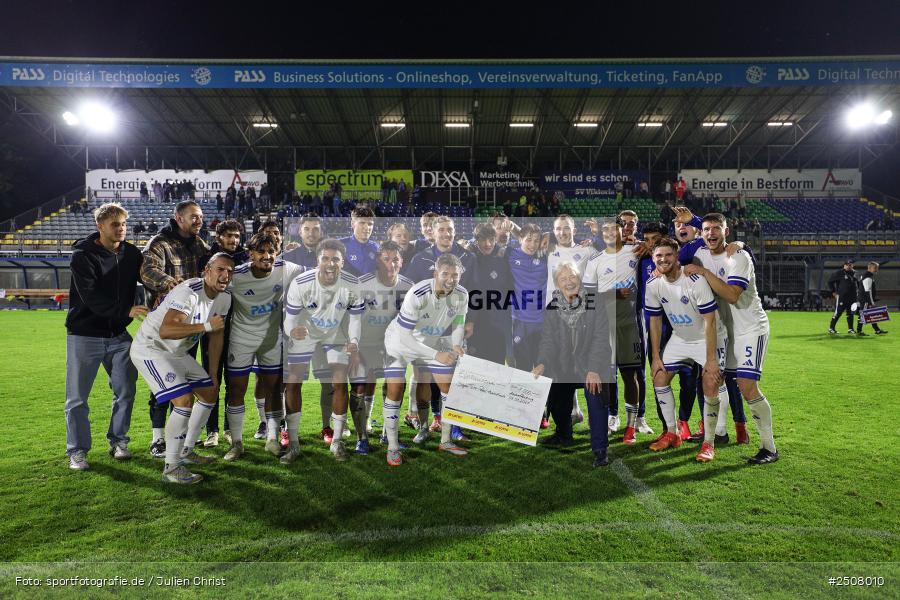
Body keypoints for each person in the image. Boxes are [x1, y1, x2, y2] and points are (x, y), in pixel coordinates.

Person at [129, 253, 234, 484]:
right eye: (220, 269)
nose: (225, 275)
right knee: (183, 400)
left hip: (176, 352)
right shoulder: (189, 292)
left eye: (230, 271)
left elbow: (216, 336)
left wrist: (213, 374)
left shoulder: (225, 298)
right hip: (152, 348)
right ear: (207, 271)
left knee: (209, 393)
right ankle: (172, 467)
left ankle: (186, 450)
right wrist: (206, 326)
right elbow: (166, 330)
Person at [686, 213, 779, 464]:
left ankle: (769, 448)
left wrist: (703, 272)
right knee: (712, 381)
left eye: (717, 228)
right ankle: (714, 437)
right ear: (701, 233)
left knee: (747, 386)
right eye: (706, 229)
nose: (711, 233)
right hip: (723, 331)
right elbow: (672, 259)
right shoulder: (700, 253)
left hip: (750, 329)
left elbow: (732, 295)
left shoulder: (739, 256)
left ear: (726, 231)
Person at [65, 203, 147, 471]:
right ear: (100, 226)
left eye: (123, 224)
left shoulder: (132, 253)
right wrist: (126, 310)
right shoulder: (82, 256)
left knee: (126, 391)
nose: (121, 229)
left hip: (119, 335)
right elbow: (91, 297)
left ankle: (119, 441)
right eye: (115, 224)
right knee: (77, 399)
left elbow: (148, 277)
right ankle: (77, 451)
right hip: (84, 334)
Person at [381, 254, 470, 466]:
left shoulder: (462, 294)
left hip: (431, 343)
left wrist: (456, 345)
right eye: (445, 274)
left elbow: (458, 324)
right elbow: (405, 336)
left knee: (447, 386)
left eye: (455, 275)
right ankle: (392, 447)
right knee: (396, 388)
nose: (450, 279)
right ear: (436, 273)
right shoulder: (418, 293)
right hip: (398, 343)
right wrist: (436, 355)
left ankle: (445, 441)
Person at [643, 238, 727, 462]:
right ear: (653, 258)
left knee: (710, 382)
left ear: (677, 255)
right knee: (659, 376)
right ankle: (672, 433)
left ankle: (709, 443)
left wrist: (710, 359)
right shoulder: (653, 284)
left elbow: (710, 321)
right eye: (659, 256)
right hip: (681, 337)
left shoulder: (694, 280)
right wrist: (656, 357)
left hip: (707, 338)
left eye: (668, 255)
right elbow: (654, 321)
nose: (663, 259)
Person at [224, 233, 304, 464]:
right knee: (237, 390)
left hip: (272, 340)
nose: (267, 256)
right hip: (241, 339)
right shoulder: (236, 275)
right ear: (250, 254)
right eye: (261, 251)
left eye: (271, 251)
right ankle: (236, 443)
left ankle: (272, 438)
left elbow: (314, 272)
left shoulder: (287, 269)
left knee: (274, 389)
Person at [140, 200, 211, 458]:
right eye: (193, 216)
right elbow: (147, 270)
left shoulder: (198, 243)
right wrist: (171, 283)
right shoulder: (160, 243)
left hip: (188, 326)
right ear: (179, 218)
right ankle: (157, 438)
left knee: (182, 383)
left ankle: (177, 439)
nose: (198, 220)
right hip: (164, 327)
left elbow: (216, 261)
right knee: (161, 385)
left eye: (200, 216)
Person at [284, 239, 365, 461]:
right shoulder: (301, 283)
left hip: (334, 334)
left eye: (336, 259)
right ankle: (293, 443)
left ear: (343, 262)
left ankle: (337, 443)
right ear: (317, 260)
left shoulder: (353, 283)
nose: (330, 264)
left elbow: (355, 319)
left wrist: (354, 341)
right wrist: (292, 331)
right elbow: (289, 319)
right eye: (325, 258)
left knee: (340, 381)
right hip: (305, 332)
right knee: (293, 381)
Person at [532, 262, 613, 467]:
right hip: (564, 365)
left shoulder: (595, 302)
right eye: (563, 279)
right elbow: (548, 341)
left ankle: (600, 449)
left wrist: (594, 369)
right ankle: (563, 434)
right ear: (557, 284)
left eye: (572, 277)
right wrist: (542, 363)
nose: (569, 282)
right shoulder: (552, 308)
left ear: (579, 279)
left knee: (595, 393)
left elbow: (600, 339)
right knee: (555, 389)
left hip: (591, 364)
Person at [583, 218, 645, 445]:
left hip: (629, 324)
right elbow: (587, 296)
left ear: (622, 230)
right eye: (606, 229)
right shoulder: (595, 261)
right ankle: (609, 418)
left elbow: (661, 249)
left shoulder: (635, 251)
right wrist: (614, 293)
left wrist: (647, 245)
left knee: (630, 375)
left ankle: (631, 426)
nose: (610, 232)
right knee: (606, 376)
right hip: (603, 326)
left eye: (614, 229)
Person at [351, 241, 414, 453]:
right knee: (361, 387)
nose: (391, 264)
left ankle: (388, 434)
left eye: (395, 259)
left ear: (401, 261)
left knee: (395, 386)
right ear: (378, 260)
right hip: (365, 343)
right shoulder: (362, 284)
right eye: (386, 259)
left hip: (392, 346)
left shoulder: (409, 287)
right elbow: (351, 318)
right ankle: (362, 437)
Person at [198, 219, 249, 447]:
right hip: (212, 327)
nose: (233, 240)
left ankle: (229, 428)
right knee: (212, 378)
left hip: (237, 328)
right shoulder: (206, 259)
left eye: (236, 236)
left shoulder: (245, 260)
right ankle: (212, 431)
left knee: (233, 380)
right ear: (218, 237)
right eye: (228, 235)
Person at [338, 206, 379, 276]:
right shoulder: (339, 246)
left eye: (370, 224)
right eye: (362, 223)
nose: (367, 227)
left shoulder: (377, 249)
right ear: (352, 224)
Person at [828, 260, 859, 335]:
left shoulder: (855, 273)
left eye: (850, 265)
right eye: (847, 265)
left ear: (852, 266)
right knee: (838, 312)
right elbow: (830, 282)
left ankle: (850, 329)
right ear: (844, 265)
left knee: (851, 313)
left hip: (852, 297)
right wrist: (833, 292)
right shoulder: (839, 273)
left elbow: (858, 283)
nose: (848, 266)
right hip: (842, 297)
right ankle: (831, 328)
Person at [856, 262, 886, 335]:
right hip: (865, 300)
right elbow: (868, 291)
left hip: (864, 299)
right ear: (869, 268)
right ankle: (859, 332)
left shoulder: (866, 275)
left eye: (877, 268)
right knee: (862, 315)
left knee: (871, 314)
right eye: (875, 268)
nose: (876, 269)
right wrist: (871, 302)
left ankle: (877, 330)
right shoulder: (868, 277)